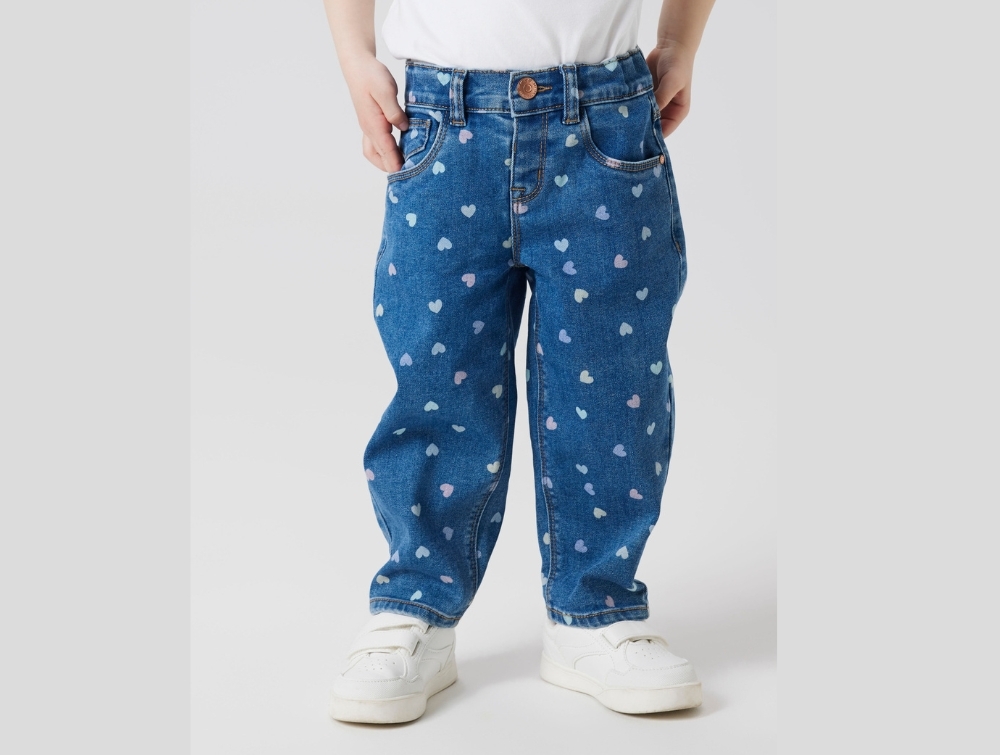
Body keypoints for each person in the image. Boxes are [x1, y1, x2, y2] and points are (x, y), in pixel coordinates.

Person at [322, 0, 716, 723]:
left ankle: (592, 609)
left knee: (613, 385)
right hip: (442, 124)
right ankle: (417, 602)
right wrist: (353, 54)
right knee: (436, 380)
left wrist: (679, 39)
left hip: (605, 122)